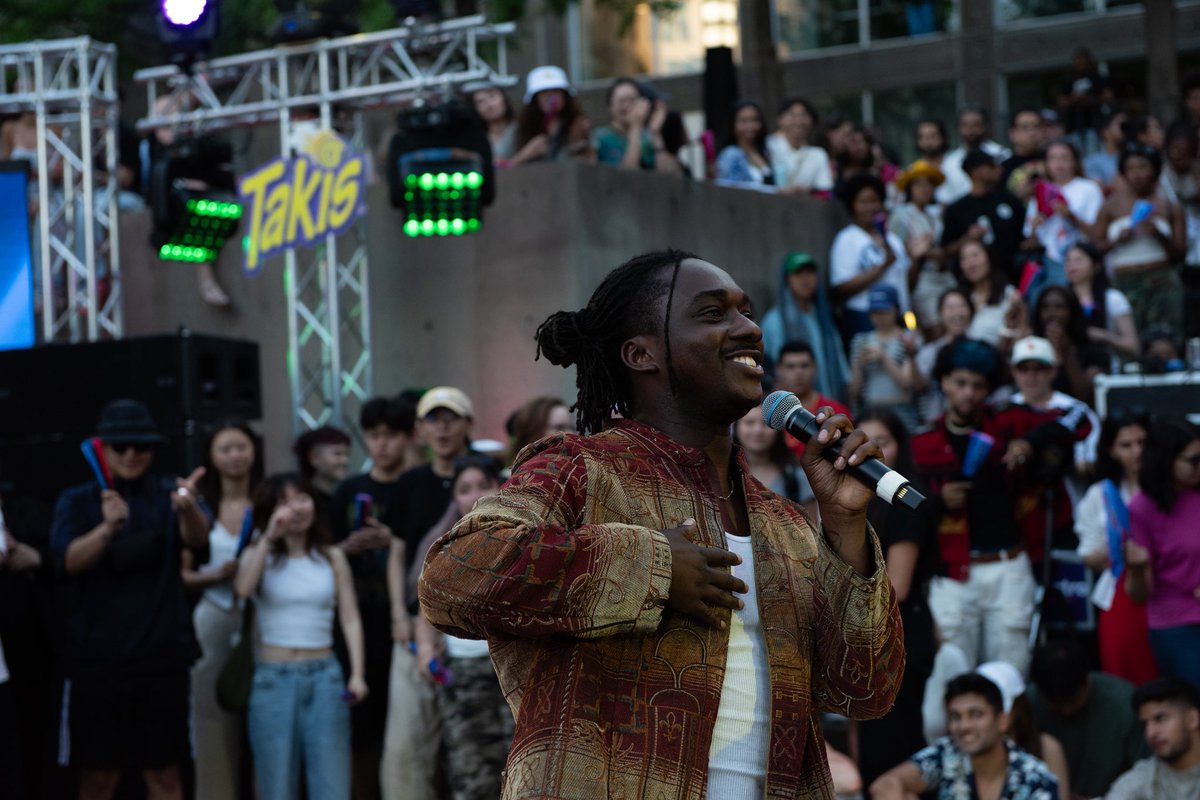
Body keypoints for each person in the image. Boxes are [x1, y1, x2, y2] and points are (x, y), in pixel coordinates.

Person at [419, 250, 904, 798]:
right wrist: (650, 568)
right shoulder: (580, 469)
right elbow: (450, 577)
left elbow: (866, 689)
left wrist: (843, 523)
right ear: (641, 353)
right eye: (713, 313)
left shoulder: (786, 523)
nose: (749, 329)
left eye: (746, 312)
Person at [50, 400, 209, 800]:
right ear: (103, 449)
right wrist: (107, 529)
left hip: (161, 660)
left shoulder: (170, 493)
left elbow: (198, 542)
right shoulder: (77, 500)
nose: (131, 454)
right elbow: (67, 562)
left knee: (165, 775)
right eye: (120, 446)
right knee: (98, 777)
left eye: (141, 446)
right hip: (97, 663)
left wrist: (188, 509)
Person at [912, 338, 1089, 672]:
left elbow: (1081, 418)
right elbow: (905, 506)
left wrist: (1029, 442)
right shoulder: (923, 441)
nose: (968, 393)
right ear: (944, 382)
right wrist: (938, 501)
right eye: (960, 383)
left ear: (989, 387)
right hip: (952, 571)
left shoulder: (1010, 422)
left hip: (1009, 566)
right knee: (952, 671)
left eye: (978, 385)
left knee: (1010, 673)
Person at [235, 473, 367, 800]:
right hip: (273, 678)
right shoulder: (259, 552)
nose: (295, 508)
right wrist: (268, 537)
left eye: (302, 498)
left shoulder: (331, 556)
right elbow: (243, 590)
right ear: (269, 510)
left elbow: (350, 618)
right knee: (276, 786)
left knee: (332, 785)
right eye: (284, 501)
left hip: (325, 676)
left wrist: (357, 674)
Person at [381, 386, 475, 800]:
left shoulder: (483, 477)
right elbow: (396, 552)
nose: (442, 429)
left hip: (473, 636)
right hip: (415, 629)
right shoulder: (410, 484)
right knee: (406, 751)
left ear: (468, 424)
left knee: (474, 751)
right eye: (433, 420)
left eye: (451, 419)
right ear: (419, 429)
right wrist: (398, 616)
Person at [408, 456, 514, 800]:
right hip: (464, 673)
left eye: (483, 485)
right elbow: (425, 612)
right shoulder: (443, 547)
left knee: (522, 773)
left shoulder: (524, 538)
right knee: (472, 775)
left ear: (499, 486)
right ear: (454, 498)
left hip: (514, 670)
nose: (475, 496)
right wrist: (426, 652)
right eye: (464, 489)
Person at [328, 396, 416, 800]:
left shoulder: (414, 486)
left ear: (408, 437)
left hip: (405, 618)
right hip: (354, 620)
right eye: (374, 435)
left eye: (391, 435)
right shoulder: (348, 490)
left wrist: (391, 541)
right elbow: (324, 549)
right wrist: (344, 548)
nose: (381, 444)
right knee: (359, 726)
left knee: (404, 726)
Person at [855, 409, 938, 787]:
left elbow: (897, 585)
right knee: (871, 744)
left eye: (883, 442)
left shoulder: (906, 499)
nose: (873, 451)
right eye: (864, 442)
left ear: (901, 446)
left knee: (896, 747)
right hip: (873, 634)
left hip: (900, 636)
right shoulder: (862, 496)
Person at [182, 420, 263, 800]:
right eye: (225, 449)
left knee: (267, 726)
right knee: (210, 725)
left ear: (254, 451)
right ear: (211, 457)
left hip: (261, 618)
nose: (235, 456)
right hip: (212, 616)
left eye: (241, 447)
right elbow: (182, 574)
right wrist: (214, 575)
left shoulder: (268, 502)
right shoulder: (199, 506)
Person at [868, 672, 1059, 800]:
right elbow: (884, 786)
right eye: (955, 717)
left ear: (1002, 721)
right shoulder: (946, 752)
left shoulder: (1035, 778)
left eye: (975, 714)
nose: (964, 726)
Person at [1075, 414, 1159, 684]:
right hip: (1120, 594)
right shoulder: (1100, 494)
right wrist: (1118, 552)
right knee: (1126, 678)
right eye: (1126, 445)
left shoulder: (1170, 489)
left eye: (1142, 442)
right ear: (1111, 450)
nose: (1137, 451)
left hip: (1167, 591)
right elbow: (1088, 554)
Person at [1125, 418, 1200, 689]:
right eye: (1194, 460)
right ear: (1167, 460)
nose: (1199, 466)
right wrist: (1136, 568)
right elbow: (1138, 594)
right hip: (1179, 624)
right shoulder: (1142, 508)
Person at [1026, 638, 1150, 798]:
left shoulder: (1124, 703)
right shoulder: (1027, 706)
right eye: (1057, 704)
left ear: (1087, 681)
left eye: (1073, 701)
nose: (1067, 711)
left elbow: (1148, 770)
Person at [1090, 144, 1188, 335]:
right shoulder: (1110, 207)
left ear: (1155, 170)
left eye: (1143, 166)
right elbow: (1094, 249)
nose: (1137, 174)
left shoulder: (1170, 206)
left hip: (1162, 280)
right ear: (1123, 172)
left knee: (1167, 337)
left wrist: (1157, 234)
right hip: (1125, 281)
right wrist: (1117, 241)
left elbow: (1181, 253)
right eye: (1130, 168)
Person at [830, 173, 913, 340]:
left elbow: (906, 281)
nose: (870, 207)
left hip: (900, 316)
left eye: (874, 200)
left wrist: (916, 258)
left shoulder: (893, 239)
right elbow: (841, 287)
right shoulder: (846, 239)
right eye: (863, 202)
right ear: (852, 205)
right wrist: (882, 267)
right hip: (864, 318)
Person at [1008, 335, 1100, 483]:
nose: (1031, 376)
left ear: (1053, 371)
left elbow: (1086, 466)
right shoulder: (1002, 412)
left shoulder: (1077, 410)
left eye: (1039, 369)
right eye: (1023, 369)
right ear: (1013, 371)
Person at [759, 251, 849, 399]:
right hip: (792, 403)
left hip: (828, 401)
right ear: (787, 280)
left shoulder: (823, 318)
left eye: (810, 273)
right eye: (798, 273)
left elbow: (840, 364)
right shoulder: (774, 321)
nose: (805, 279)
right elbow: (773, 371)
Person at [975, 660, 1071, 798]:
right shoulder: (953, 756)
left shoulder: (1047, 748)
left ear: (1018, 707)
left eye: (999, 708)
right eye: (976, 713)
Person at [1024, 138, 1105, 293]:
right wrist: (1034, 228)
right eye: (1053, 158)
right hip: (1049, 262)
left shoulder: (1088, 189)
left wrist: (1070, 216)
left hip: (1081, 260)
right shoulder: (1040, 191)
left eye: (1064, 158)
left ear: (1074, 161)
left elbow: (1098, 233)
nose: (1058, 164)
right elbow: (1030, 243)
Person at [1105, 677, 1200, 800]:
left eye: (1160, 719)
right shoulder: (1142, 779)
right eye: (1145, 724)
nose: (1151, 733)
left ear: (1192, 719)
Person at [942, 149, 1028, 283]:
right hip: (975, 283)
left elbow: (1024, 237)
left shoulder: (1009, 200)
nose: (999, 169)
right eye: (992, 165)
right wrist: (968, 239)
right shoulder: (957, 209)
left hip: (1014, 278)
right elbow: (946, 250)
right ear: (976, 171)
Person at [847, 284, 921, 431]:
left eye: (884, 311)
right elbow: (853, 391)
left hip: (902, 411)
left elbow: (908, 384)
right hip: (870, 409)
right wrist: (859, 365)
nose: (879, 316)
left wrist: (884, 358)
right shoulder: (860, 341)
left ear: (896, 309)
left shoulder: (907, 338)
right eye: (874, 311)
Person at [892, 159, 950, 335]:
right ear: (910, 189)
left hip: (942, 275)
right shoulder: (901, 216)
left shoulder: (936, 216)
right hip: (919, 279)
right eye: (919, 185)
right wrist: (918, 252)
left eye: (929, 184)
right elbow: (897, 250)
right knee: (934, 326)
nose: (925, 189)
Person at [1029, 285, 1109, 407]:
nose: (1051, 313)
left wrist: (1066, 354)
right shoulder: (1030, 350)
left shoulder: (1094, 352)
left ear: (1072, 311)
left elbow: (1086, 396)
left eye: (1059, 307)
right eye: (1045, 307)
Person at [1064, 241, 1141, 365]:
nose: (1071, 265)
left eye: (1078, 260)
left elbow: (1133, 346)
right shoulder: (1060, 299)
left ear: (1095, 265)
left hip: (1108, 366)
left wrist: (1104, 336)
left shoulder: (1113, 298)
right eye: (1068, 260)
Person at [771, 339, 853, 457]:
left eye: (804, 366)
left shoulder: (836, 411)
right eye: (790, 366)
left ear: (815, 368)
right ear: (778, 370)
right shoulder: (771, 413)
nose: (798, 372)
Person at [732, 405, 815, 518]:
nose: (758, 430)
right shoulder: (726, 475)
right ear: (735, 427)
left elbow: (811, 526)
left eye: (766, 424)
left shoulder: (797, 477)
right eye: (750, 422)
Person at [592, 78, 679, 174]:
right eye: (622, 101)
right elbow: (627, 175)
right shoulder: (601, 137)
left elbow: (672, 175)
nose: (628, 105)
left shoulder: (647, 136)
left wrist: (655, 133)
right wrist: (635, 126)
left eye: (633, 100)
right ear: (610, 106)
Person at [510, 66, 593, 166]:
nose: (551, 97)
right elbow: (505, 168)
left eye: (556, 91)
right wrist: (526, 154)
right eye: (544, 92)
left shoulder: (579, 124)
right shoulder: (520, 129)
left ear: (565, 96)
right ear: (535, 99)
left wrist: (580, 144)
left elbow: (594, 164)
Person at [914, 288, 974, 426]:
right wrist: (911, 356)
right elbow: (919, 386)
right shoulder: (929, 352)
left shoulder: (980, 350)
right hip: (937, 421)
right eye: (951, 308)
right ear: (940, 314)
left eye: (962, 306)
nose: (957, 313)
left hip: (974, 421)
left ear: (971, 311)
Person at [957, 239, 1024, 347]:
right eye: (964, 258)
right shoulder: (958, 298)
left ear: (989, 257)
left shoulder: (1010, 296)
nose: (971, 263)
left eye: (975, 255)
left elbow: (1021, 336)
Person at [938, 106, 1012, 205]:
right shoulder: (949, 162)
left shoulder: (1002, 155)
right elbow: (945, 199)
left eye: (976, 125)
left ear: (985, 126)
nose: (970, 130)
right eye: (965, 125)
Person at [767, 96, 833, 195]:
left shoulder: (818, 155)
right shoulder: (768, 146)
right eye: (792, 115)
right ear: (780, 119)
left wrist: (807, 192)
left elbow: (825, 191)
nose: (798, 121)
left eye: (804, 115)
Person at [1058, 47, 1110, 156]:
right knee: (1077, 155)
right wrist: (1075, 99)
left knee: (1093, 154)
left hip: (1093, 123)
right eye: (1077, 59)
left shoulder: (1096, 77)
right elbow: (1062, 101)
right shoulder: (1069, 79)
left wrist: (1088, 99)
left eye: (1082, 59)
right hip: (1074, 124)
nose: (1080, 62)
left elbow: (1107, 97)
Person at [715, 100, 775, 188]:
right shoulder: (730, 154)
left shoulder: (766, 150)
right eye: (743, 121)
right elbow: (728, 189)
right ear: (733, 125)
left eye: (754, 120)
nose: (749, 126)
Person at [505, 396, 573, 467]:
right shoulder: (516, 474)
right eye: (559, 427)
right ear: (533, 432)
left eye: (572, 427)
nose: (571, 433)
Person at [293, 425, 352, 506]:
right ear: (314, 458)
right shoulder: (303, 503)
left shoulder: (343, 499)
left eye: (347, 454)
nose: (345, 461)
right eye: (338, 454)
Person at [466, 82, 518, 165]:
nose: (489, 105)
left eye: (492, 96)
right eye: (480, 101)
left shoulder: (522, 128)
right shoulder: (476, 140)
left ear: (503, 97)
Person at [1000, 108, 1047, 199]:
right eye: (1025, 128)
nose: (1032, 133)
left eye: (1036, 126)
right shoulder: (1002, 169)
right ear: (1012, 133)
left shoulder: (1054, 162)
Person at [1085, 110, 1128, 188]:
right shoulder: (1092, 162)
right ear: (1105, 132)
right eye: (1121, 126)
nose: (1125, 129)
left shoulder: (1136, 157)